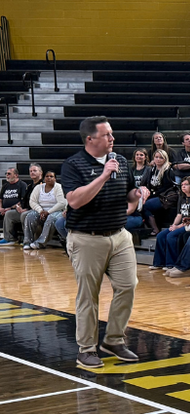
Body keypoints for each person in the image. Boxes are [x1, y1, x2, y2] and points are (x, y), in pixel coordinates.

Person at [60, 116, 149, 369]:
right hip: (87, 238)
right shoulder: (73, 165)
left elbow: (128, 191)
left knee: (128, 286)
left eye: (111, 133)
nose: (112, 138)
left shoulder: (119, 160)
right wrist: (102, 175)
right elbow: (75, 201)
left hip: (119, 235)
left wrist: (138, 194)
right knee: (89, 296)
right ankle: (86, 349)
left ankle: (113, 340)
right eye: (106, 135)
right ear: (90, 139)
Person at [149, 176, 190, 269]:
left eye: (186, 184)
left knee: (171, 236)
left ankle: (171, 263)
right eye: (182, 184)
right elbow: (179, 214)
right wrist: (174, 225)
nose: (183, 186)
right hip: (181, 224)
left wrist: (177, 227)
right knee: (160, 235)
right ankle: (159, 263)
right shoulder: (182, 197)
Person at [23, 170, 66, 250]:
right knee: (30, 216)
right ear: (44, 178)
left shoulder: (58, 187)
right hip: (41, 211)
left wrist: (48, 212)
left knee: (51, 218)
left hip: (56, 211)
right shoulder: (38, 187)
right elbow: (32, 202)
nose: (49, 178)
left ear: (55, 179)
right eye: (47, 176)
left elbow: (61, 203)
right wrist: (40, 211)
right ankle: (27, 242)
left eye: (51, 176)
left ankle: (40, 243)